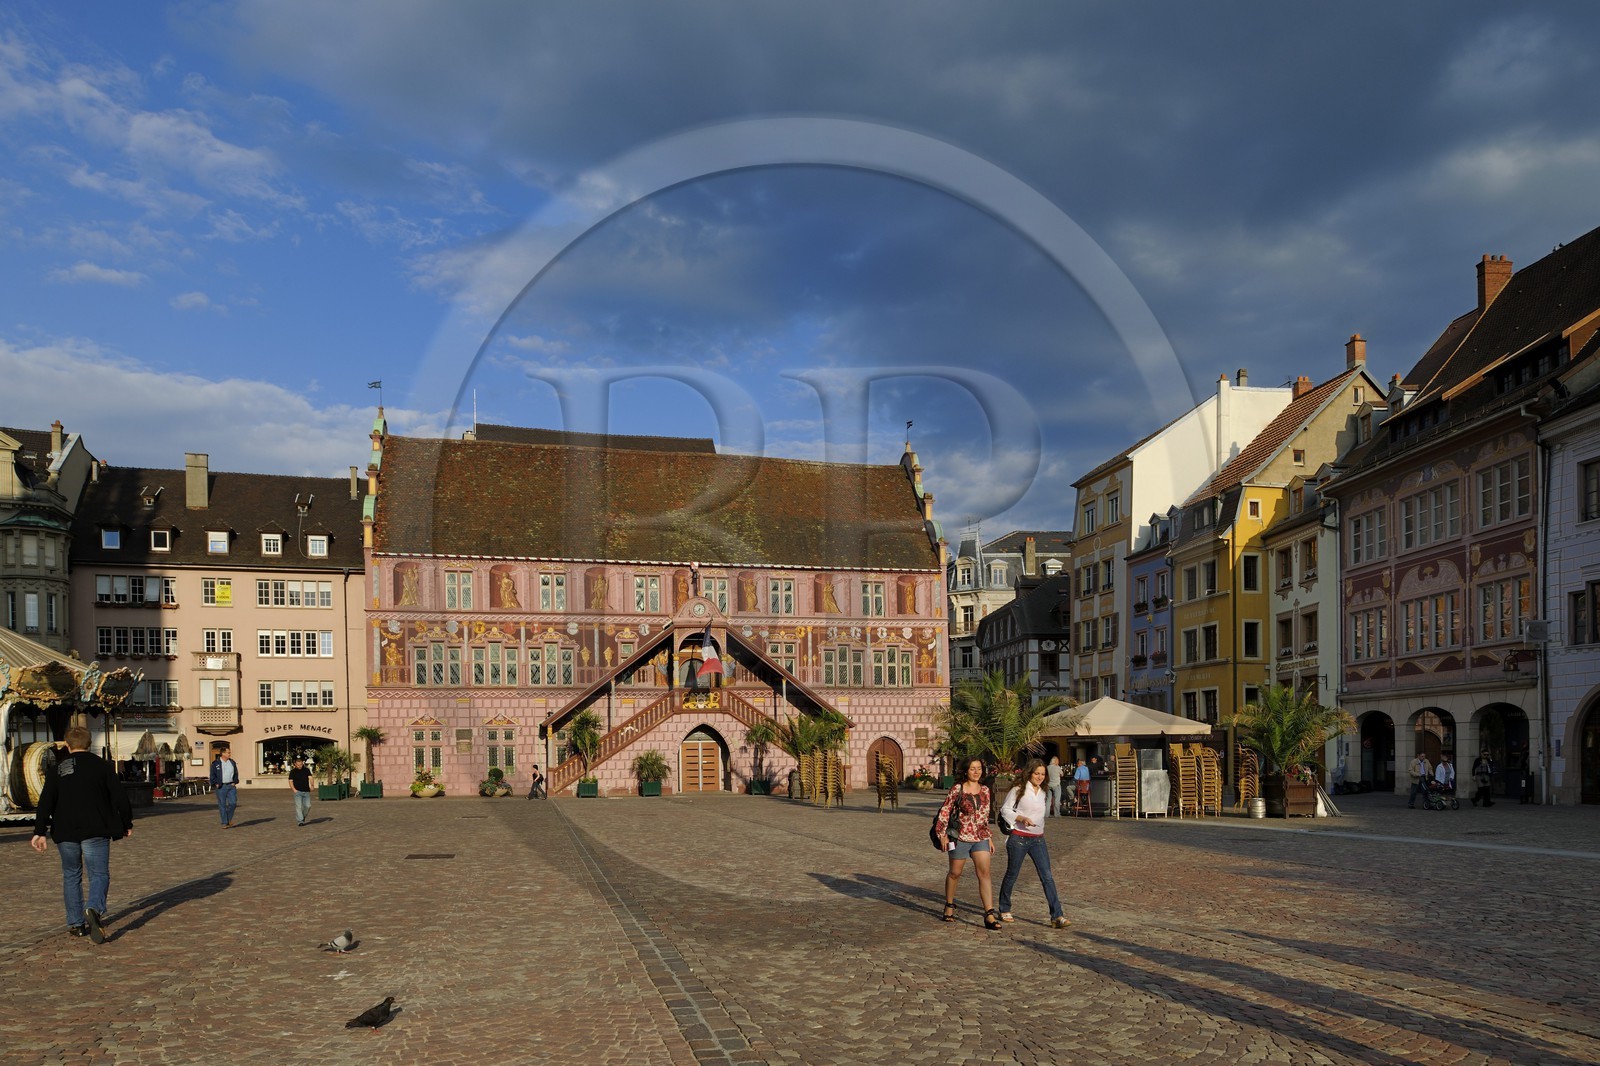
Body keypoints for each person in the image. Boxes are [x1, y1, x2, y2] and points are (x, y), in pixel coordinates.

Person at [30, 726, 134, 943]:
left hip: (65, 830)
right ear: (89, 744)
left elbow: (46, 801)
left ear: (67, 745)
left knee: (71, 875)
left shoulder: (57, 769)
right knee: (99, 874)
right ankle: (94, 908)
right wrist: (126, 822)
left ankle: (76, 924)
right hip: (95, 828)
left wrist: (40, 831)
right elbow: (120, 798)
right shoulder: (103, 766)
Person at [996, 759, 1070, 928]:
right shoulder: (1018, 790)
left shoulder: (1043, 792)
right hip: (1019, 839)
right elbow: (1005, 809)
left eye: (1043, 774)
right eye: (1037, 773)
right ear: (1029, 773)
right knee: (1012, 874)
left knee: (1047, 877)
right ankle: (1004, 908)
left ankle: (1057, 915)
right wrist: (1021, 818)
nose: (1040, 777)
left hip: (1038, 839)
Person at [933, 757, 1000, 930]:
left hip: (980, 837)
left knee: (984, 873)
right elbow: (945, 810)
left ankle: (989, 914)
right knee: (955, 873)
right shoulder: (958, 789)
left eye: (979, 768)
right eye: (972, 769)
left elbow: (984, 816)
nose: (976, 772)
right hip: (960, 837)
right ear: (966, 771)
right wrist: (942, 835)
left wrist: (989, 837)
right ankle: (949, 905)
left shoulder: (985, 790)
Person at [210, 747, 240, 827]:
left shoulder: (232, 762)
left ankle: (228, 819)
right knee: (222, 804)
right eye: (228, 752)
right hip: (221, 786)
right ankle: (224, 822)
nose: (229, 754)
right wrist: (215, 783)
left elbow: (236, 773)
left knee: (233, 803)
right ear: (223, 753)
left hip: (231, 785)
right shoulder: (216, 763)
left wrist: (235, 781)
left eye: (229, 752)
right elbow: (212, 775)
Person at [288, 756, 313, 826]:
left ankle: (303, 816)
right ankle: (300, 821)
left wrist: (312, 785)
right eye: (298, 765)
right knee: (298, 807)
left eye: (301, 764)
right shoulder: (293, 772)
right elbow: (290, 781)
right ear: (295, 764)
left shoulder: (306, 770)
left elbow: (310, 778)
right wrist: (294, 789)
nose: (299, 766)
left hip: (306, 791)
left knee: (308, 806)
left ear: (303, 763)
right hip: (297, 791)